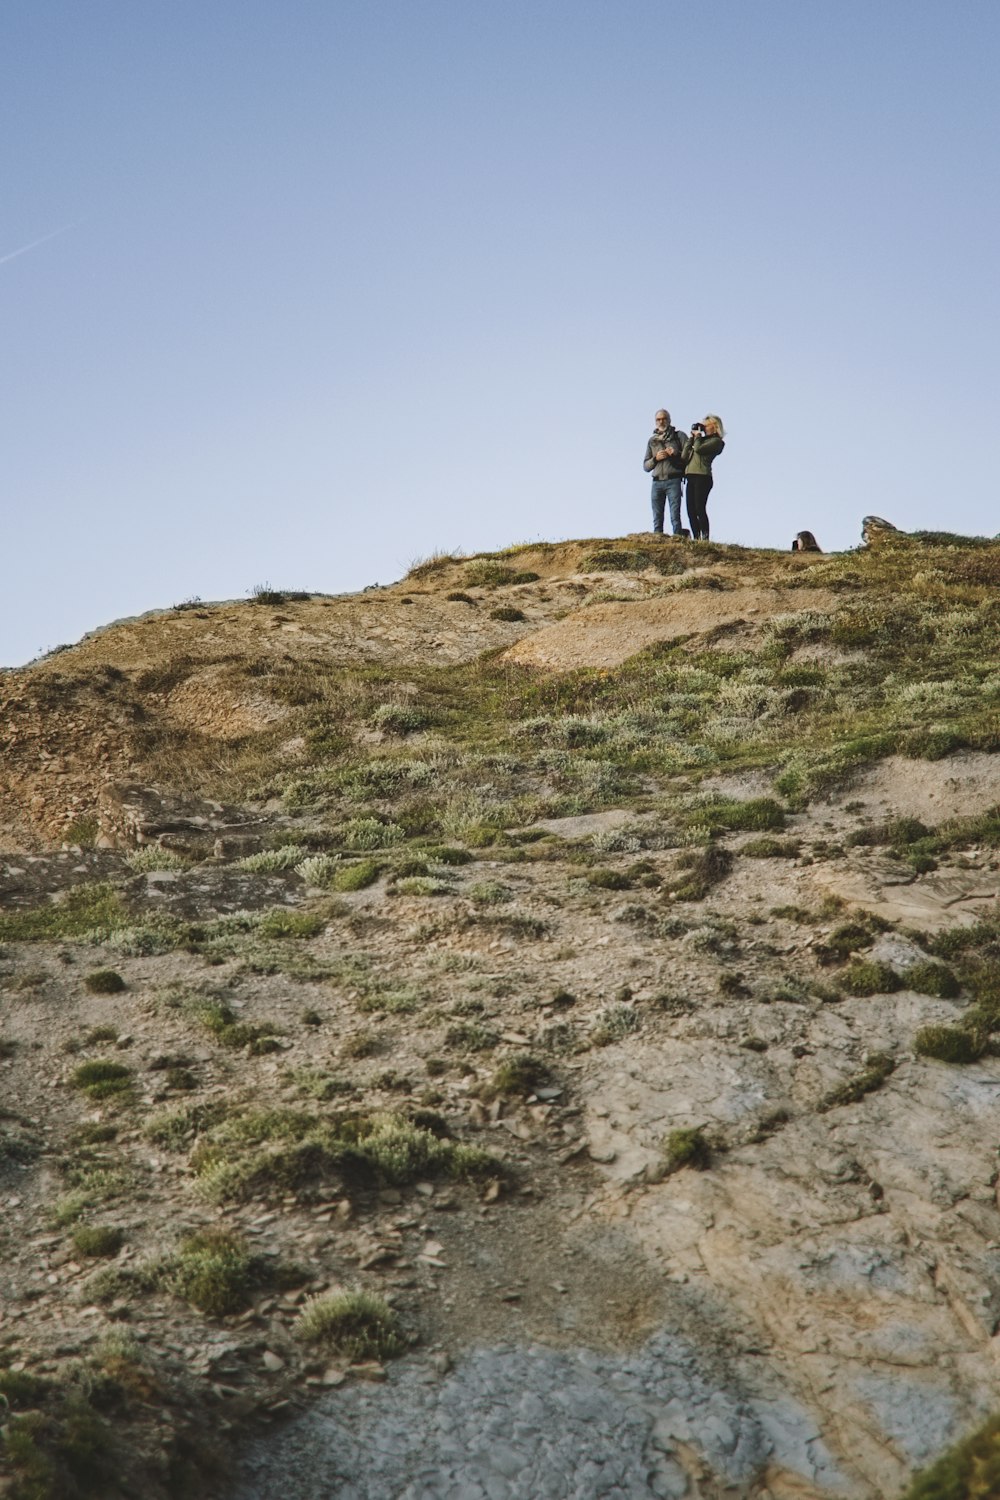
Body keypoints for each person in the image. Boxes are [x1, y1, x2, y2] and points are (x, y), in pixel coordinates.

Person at [642, 409, 688, 536]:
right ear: (655, 422)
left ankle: (678, 539)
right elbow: (645, 466)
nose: (661, 421)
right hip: (656, 482)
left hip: (673, 479)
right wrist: (655, 458)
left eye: (664, 418)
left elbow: (689, 457)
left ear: (669, 420)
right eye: (658, 419)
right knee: (657, 516)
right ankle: (658, 541)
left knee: (675, 515)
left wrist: (675, 454)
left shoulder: (679, 436)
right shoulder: (652, 441)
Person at [682, 414, 725, 540]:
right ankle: (696, 537)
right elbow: (684, 456)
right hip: (690, 476)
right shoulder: (698, 440)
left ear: (715, 426)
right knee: (690, 510)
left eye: (706, 425)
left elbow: (700, 449)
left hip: (703, 477)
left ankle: (705, 538)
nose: (704, 428)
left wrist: (698, 437)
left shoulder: (717, 442)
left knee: (699, 508)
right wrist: (691, 438)